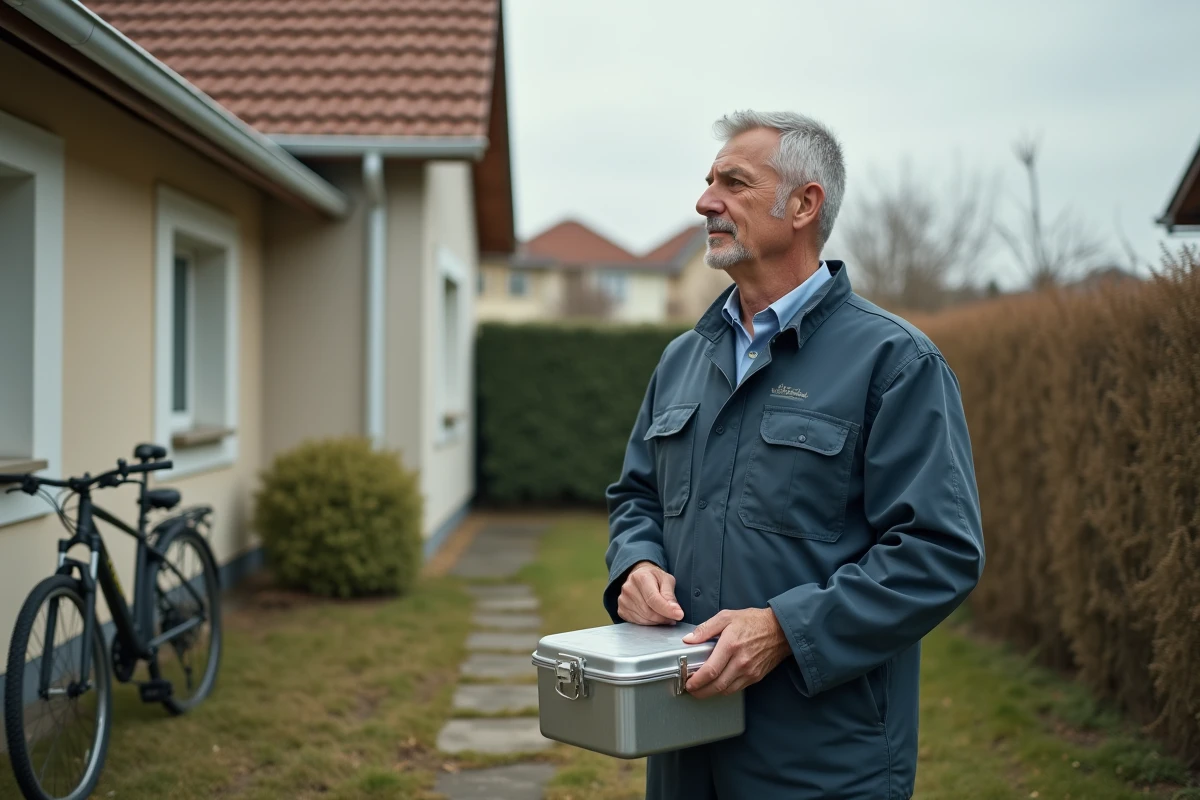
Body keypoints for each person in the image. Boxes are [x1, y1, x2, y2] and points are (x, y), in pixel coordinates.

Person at [603, 110, 986, 800]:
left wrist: (786, 629)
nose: (705, 202)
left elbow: (939, 550)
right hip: (681, 745)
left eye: (733, 183)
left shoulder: (895, 362)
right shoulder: (682, 359)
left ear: (805, 205)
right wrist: (634, 563)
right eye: (708, 182)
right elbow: (637, 496)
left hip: (824, 760)